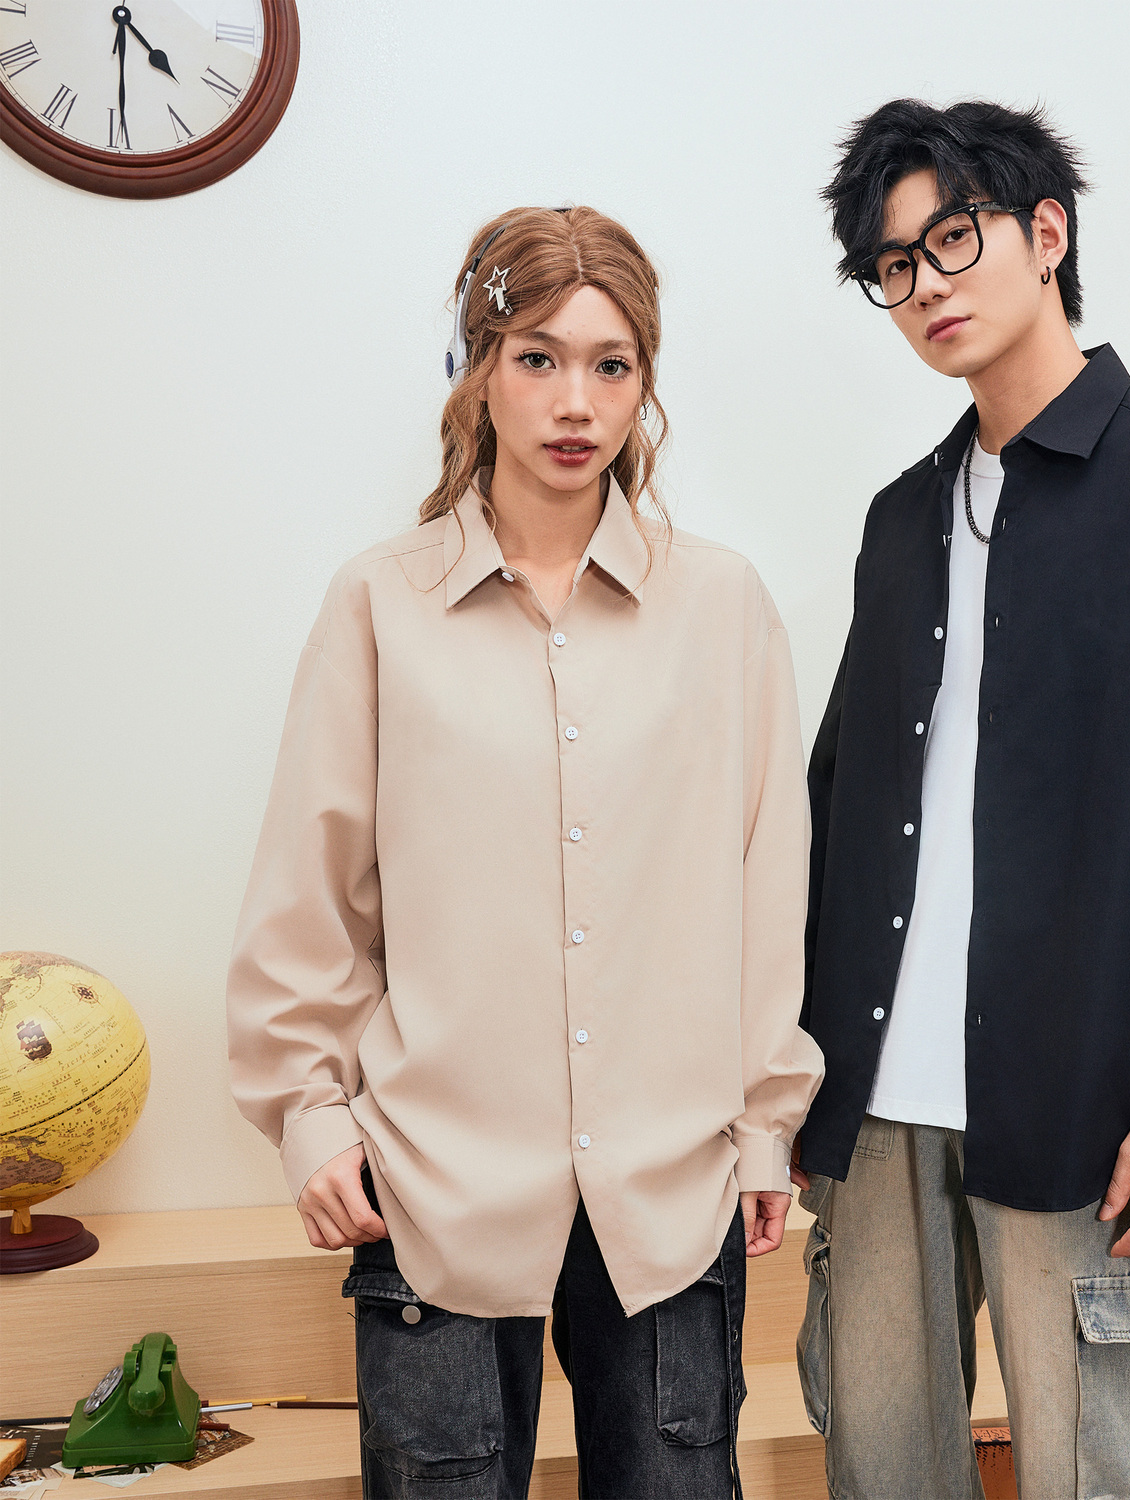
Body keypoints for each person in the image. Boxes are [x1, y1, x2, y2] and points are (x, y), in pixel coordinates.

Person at [226, 205, 823, 1500]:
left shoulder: (722, 606)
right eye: (538, 357)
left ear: (645, 384)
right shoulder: (378, 602)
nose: (575, 402)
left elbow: (766, 889)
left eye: (612, 364)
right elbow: (310, 893)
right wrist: (309, 1117)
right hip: (431, 1182)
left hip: (671, 1188)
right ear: (479, 368)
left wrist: (765, 1127)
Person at [793, 99, 1130, 1500]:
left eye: (953, 237)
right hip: (877, 1102)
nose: (926, 284)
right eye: (894, 265)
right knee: (882, 1468)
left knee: (1115, 1472)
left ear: (1048, 233)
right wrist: (797, 1074)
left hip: (1089, 1104)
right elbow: (843, 803)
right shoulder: (904, 516)